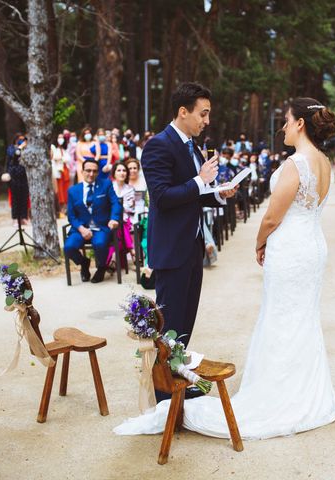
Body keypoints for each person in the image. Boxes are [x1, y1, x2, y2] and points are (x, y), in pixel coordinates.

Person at [184, 97, 335, 439]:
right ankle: (306, 392)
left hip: (291, 248)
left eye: (287, 120)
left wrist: (259, 241)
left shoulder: (295, 164)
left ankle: (280, 396)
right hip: (313, 245)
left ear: (300, 123)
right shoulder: (325, 162)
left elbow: (273, 216)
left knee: (281, 316)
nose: (283, 126)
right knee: (302, 317)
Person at [141, 82, 237, 401]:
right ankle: (163, 392)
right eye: (203, 113)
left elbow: (195, 196)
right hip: (170, 249)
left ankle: (178, 376)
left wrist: (218, 193)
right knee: (168, 323)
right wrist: (200, 181)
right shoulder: (158, 146)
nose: (206, 120)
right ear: (183, 112)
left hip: (192, 246)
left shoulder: (192, 146)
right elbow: (163, 197)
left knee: (185, 320)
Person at [64, 158, 122, 284]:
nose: (91, 174)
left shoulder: (106, 184)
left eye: (95, 171)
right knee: (68, 247)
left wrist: (114, 218)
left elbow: (115, 203)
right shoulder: (73, 190)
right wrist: (81, 228)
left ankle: (101, 268)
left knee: (100, 244)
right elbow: (71, 215)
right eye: (88, 171)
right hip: (80, 228)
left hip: (101, 227)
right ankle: (84, 263)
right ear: (82, 171)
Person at [106, 162, 135, 269]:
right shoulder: (109, 187)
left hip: (126, 218)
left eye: (124, 171)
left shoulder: (130, 189)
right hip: (111, 219)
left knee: (120, 225)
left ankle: (113, 258)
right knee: (118, 224)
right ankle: (132, 252)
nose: (122, 173)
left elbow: (130, 207)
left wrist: (117, 207)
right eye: (119, 170)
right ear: (114, 173)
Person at [6, 134, 29, 226]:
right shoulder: (11, 148)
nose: (22, 141)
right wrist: (19, 147)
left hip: (24, 176)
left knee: (24, 198)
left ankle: (24, 217)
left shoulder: (26, 149)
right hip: (14, 176)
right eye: (20, 139)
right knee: (15, 198)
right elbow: (14, 156)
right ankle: (15, 218)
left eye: (23, 140)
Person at [51, 133, 71, 216]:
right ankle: (60, 209)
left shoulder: (65, 149)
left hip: (65, 171)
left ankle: (65, 209)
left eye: (62, 137)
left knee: (66, 190)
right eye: (59, 137)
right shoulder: (54, 148)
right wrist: (62, 159)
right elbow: (54, 158)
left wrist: (62, 159)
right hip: (58, 171)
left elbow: (68, 159)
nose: (61, 139)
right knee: (59, 191)